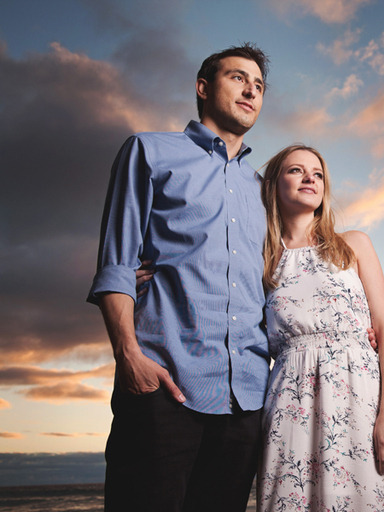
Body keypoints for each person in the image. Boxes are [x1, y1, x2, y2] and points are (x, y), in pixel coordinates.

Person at [87, 44, 271, 512]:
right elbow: (117, 263)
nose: (251, 90)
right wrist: (129, 356)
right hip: (163, 385)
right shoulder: (149, 151)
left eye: (259, 85)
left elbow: (275, 284)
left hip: (246, 399)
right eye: (238, 78)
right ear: (203, 87)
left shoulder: (262, 190)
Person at [257, 145, 384, 510]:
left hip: (359, 399)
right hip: (289, 404)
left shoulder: (353, 244)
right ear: (274, 184)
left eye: (318, 173)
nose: (310, 178)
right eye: (296, 170)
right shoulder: (261, 260)